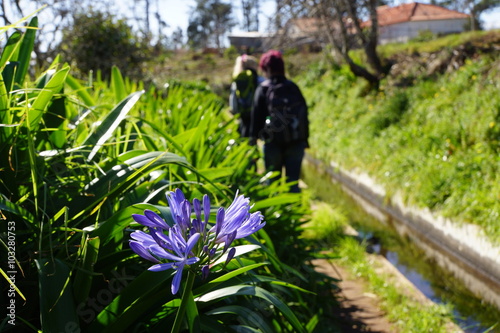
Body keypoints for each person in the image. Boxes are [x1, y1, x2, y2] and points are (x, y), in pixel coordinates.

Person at [250, 50, 309, 193]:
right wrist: (305, 139)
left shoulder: (263, 89)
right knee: (293, 183)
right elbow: (303, 114)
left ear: (266, 69)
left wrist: (253, 140)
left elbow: (256, 118)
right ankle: (294, 211)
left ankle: (276, 213)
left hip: (272, 144)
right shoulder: (293, 87)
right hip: (296, 143)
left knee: (272, 183)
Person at [229, 54, 264, 137]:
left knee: (246, 139)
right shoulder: (260, 80)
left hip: (244, 115)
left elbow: (233, 104)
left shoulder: (237, 81)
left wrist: (236, 112)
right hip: (258, 115)